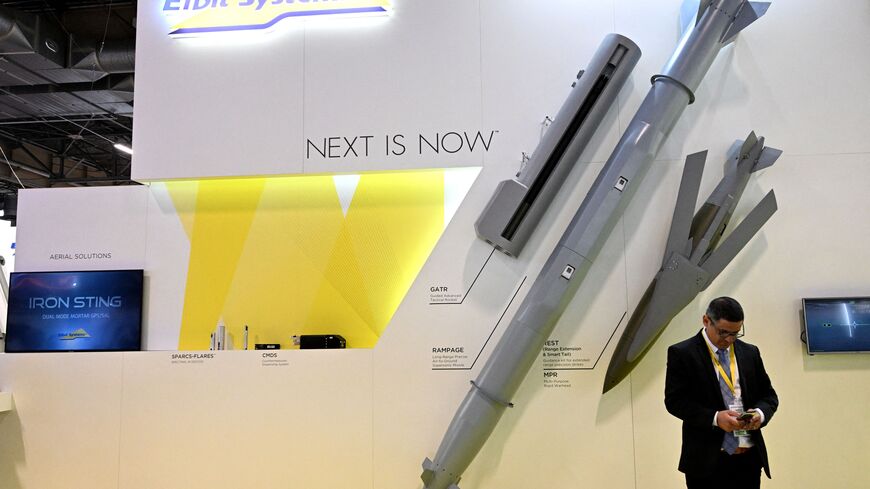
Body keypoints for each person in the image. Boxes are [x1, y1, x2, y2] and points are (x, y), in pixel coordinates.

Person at [665, 297, 779, 489]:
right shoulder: (683, 353)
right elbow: (675, 401)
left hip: (748, 460)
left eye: (735, 333)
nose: (729, 339)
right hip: (706, 462)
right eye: (723, 332)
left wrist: (759, 414)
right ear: (706, 321)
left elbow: (769, 396)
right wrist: (716, 418)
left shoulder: (750, 352)